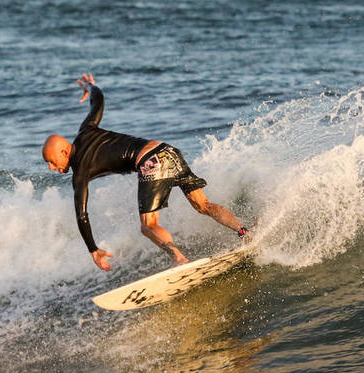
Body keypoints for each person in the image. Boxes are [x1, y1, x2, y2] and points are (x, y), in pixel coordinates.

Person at [42, 73, 248, 271]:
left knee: (148, 226)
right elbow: (98, 100)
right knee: (203, 205)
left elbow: (81, 215)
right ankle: (244, 233)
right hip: (168, 151)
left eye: (51, 161)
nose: (51, 167)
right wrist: (89, 86)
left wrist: (93, 250)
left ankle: (179, 259)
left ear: (64, 151)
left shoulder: (80, 172)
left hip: (151, 162)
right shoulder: (86, 129)